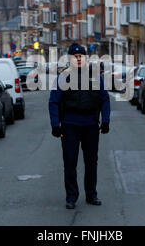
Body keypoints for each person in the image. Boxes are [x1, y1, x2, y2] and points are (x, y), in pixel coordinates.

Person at [49, 43, 111, 210]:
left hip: (91, 124)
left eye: (80, 56)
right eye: (75, 57)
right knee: (70, 162)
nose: (78, 59)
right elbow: (54, 101)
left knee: (91, 161)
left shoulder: (95, 77)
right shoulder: (63, 78)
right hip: (70, 125)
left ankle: (91, 194)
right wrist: (55, 125)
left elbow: (105, 99)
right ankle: (71, 196)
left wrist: (105, 121)